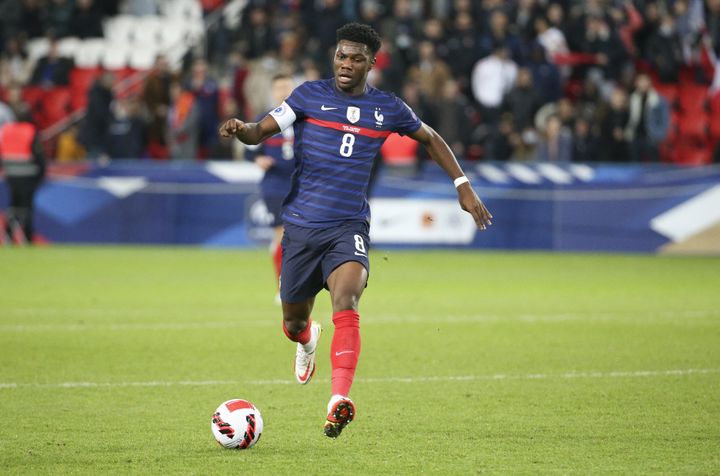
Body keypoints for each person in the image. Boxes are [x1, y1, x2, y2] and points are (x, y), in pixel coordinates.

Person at [219, 23, 492, 439]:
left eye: (356, 58)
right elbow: (261, 131)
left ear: (371, 63)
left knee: (348, 297)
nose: (346, 64)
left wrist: (462, 185)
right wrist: (243, 130)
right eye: (341, 56)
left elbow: (431, 137)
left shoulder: (388, 108)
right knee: (293, 321)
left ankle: (338, 399)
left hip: (348, 225)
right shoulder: (309, 95)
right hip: (301, 228)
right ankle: (307, 340)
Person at [244, 74, 297, 301]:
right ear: (273, 92)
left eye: (286, 87)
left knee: (300, 238)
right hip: (275, 185)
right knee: (282, 235)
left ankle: (296, 283)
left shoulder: (305, 119)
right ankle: (282, 287)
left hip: (302, 185)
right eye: (279, 88)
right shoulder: (264, 120)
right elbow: (249, 150)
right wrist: (258, 160)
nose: (283, 92)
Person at [0, 110, 45, 244]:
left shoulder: (6, 130)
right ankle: (27, 236)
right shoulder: (30, 131)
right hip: (28, 174)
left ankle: (8, 234)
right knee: (27, 207)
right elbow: (38, 155)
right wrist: (41, 174)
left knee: (14, 205)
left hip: (12, 175)